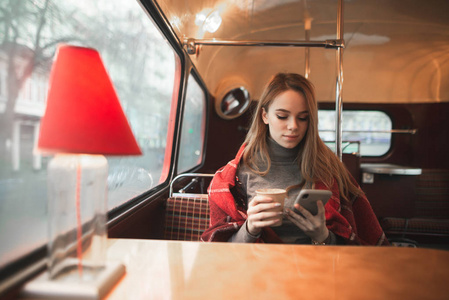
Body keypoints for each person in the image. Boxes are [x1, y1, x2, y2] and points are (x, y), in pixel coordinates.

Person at [201, 73, 389, 245]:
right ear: (265, 116)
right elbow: (222, 249)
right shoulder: (235, 175)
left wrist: (323, 236)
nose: (293, 126)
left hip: (313, 268)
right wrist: (250, 228)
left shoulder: (329, 168)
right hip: (257, 269)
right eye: (282, 116)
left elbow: (356, 248)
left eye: (303, 118)